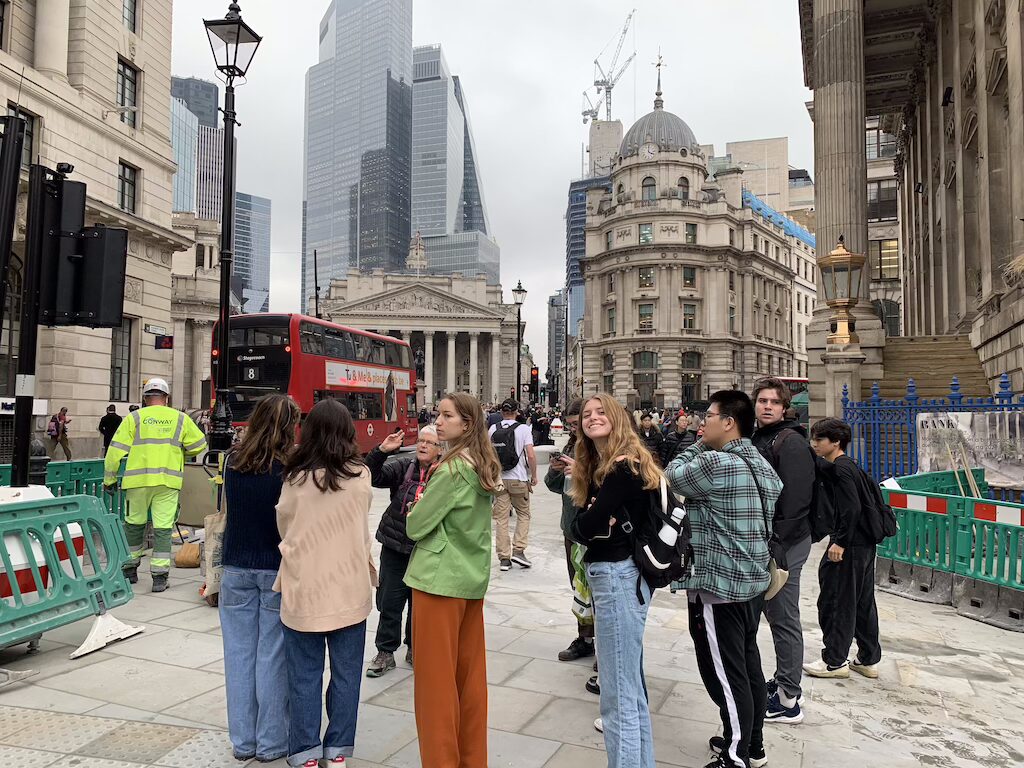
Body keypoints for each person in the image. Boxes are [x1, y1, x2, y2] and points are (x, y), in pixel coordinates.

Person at [666, 390, 782, 768]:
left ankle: (735, 756)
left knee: (725, 674)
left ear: (728, 423)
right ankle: (752, 744)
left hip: (720, 585)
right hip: (752, 583)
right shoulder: (762, 465)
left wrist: (697, 445)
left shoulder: (716, 463)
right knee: (748, 665)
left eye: (710, 417)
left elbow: (670, 476)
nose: (703, 424)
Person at [275, 398, 376, 768]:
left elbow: (284, 524)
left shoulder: (294, 477)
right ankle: (338, 751)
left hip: (305, 588)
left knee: (303, 676)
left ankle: (304, 753)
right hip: (349, 586)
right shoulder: (360, 475)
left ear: (309, 431)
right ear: (348, 431)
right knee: (347, 676)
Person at [404, 392, 501, 768]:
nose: (438, 421)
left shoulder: (450, 469)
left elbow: (416, 526)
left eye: (446, 416)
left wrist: (416, 507)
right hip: (469, 581)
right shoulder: (480, 464)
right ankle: (471, 760)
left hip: (437, 581)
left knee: (434, 686)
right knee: (469, 681)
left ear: (467, 424)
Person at [569, 393, 662, 768]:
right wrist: (589, 519)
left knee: (617, 695)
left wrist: (589, 518)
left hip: (617, 577)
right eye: (586, 414)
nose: (591, 418)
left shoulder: (622, 468)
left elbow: (582, 527)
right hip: (625, 577)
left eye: (600, 411)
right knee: (630, 688)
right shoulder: (613, 464)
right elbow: (585, 523)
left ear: (618, 417)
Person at [220, 394, 299, 763]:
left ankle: (243, 742)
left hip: (235, 564)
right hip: (274, 568)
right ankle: (270, 743)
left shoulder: (233, 460)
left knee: (238, 655)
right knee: (272, 656)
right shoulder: (290, 467)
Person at [750, 377, 815, 725]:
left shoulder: (790, 442)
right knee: (774, 614)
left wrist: (776, 544)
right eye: (762, 400)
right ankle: (783, 682)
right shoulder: (761, 436)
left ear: (784, 407)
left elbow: (796, 501)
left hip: (785, 543)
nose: (768, 406)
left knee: (783, 615)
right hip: (768, 539)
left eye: (774, 402)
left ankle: (789, 698)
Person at [103, 378, 207, 592]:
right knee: (162, 528)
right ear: (166, 399)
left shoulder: (134, 418)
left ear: (145, 398)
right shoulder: (180, 418)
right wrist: (179, 450)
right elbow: (199, 445)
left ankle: (130, 570)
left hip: (137, 482)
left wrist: (109, 479)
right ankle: (160, 577)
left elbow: (114, 452)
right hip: (167, 482)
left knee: (133, 525)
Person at [805, 418, 882, 680]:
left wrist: (840, 542)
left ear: (835, 442)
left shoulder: (842, 470)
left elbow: (852, 509)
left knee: (837, 600)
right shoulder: (848, 466)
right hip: (864, 545)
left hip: (849, 545)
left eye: (819, 439)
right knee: (862, 602)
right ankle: (867, 658)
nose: (814, 443)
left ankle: (835, 661)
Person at [364, 425, 443, 677]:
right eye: (421, 440)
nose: (422, 445)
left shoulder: (444, 474)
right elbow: (373, 477)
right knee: (389, 600)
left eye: (429, 442)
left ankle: (414, 647)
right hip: (395, 544)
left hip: (425, 548)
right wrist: (381, 451)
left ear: (441, 450)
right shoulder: (404, 466)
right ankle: (385, 652)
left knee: (419, 602)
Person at [544, 399, 594, 663]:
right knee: (578, 586)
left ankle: (606, 644)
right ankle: (584, 638)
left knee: (598, 589)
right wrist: (555, 472)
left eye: (578, 424)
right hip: (572, 528)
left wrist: (582, 472)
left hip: (596, 530)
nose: (575, 429)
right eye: (571, 424)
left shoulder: (601, 446)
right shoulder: (571, 446)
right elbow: (554, 486)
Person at [488, 398, 537, 570]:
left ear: (501, 412)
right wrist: (534, 476)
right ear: (517, 412)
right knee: (523, 514)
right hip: (519, 479)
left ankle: (504, 559)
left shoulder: (493, 428)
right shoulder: (523, 429)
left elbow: (488, 455)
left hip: (499, 480)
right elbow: (530, 455)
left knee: (501, 519)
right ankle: (518, 551)